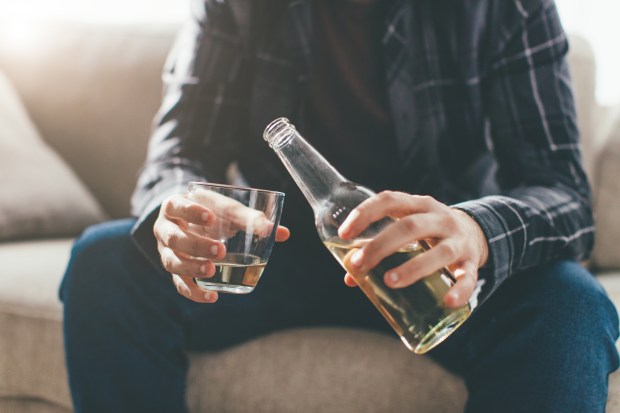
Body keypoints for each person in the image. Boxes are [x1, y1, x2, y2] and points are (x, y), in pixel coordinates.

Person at [60, 0, 620, 412]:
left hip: (439, 261)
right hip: (281, 252)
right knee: (103, 263)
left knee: (569, 303)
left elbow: (562, 190)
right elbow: (179, 152)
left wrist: (475, 229)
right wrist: (179, 209)